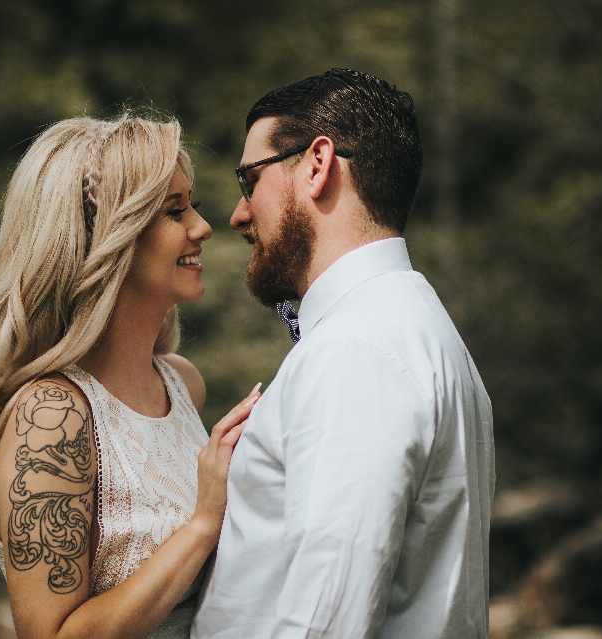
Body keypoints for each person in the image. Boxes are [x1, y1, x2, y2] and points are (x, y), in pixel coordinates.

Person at [192, 69, 496, 638]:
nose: (236, 213)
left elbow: (326, 618)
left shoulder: (356, 350)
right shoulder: (416, 327)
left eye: (248, 179)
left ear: (317, 164)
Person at [0, 114, 258, 639]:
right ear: (111, 238)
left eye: (191, 204)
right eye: (175, 211)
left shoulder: (180, 384)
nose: (201, 226)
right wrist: (202, 523)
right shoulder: (49, 419)